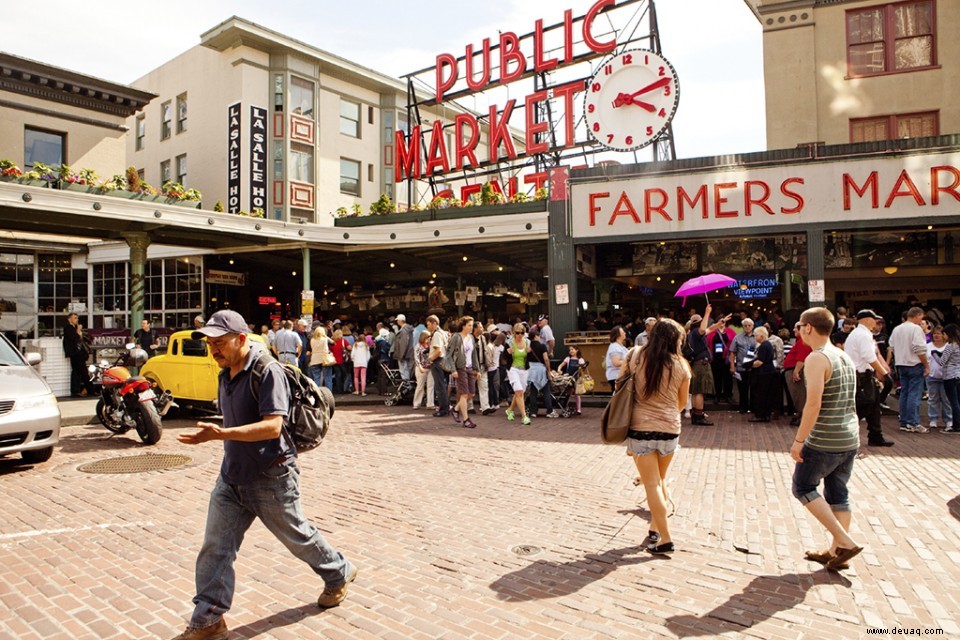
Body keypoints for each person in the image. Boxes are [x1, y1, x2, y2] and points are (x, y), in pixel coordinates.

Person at [171, 310, 356, 640]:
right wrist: (222, 437)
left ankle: (339, 572)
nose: (214, 350)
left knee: (298, 537)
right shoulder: (225, 372)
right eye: (210, 344)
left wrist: (222, 435)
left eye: (220, 343)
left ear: (241, 339)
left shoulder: (267, 370)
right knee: (215, 548)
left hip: (272, 476)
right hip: (232, 477)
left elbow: (272, 426)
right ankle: (209, 619)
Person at [791, 307, 865, 572]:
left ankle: (844, 541)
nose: (797, 331)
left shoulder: (817, 358)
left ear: (808, 327)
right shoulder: (842, 356)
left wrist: (799, 441)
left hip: (825, 438)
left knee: (802, 487)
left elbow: (813, 405)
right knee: (838, 494)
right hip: (848, 436)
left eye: (799, 326)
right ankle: (836, 551)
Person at [624, 318, 691, 556]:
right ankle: (655, 529)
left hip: (641, 427)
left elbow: (620, 387)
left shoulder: (637, 356)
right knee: (660, 481)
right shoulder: (682, 365)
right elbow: (681, 403)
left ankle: (666, 537)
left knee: (651, 485)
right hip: (670, 428)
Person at [845, 309, 896, 445]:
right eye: (875, 320)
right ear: (867, 320)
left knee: (874, 407)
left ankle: (875, 436)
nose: (876, 323)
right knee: (865, 405)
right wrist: (884, 374)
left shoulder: (860, 334)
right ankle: (847, 433)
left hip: (864, 375)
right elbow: (869, 357)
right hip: (861, 376)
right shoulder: (863, 335)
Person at [888, 307, 930, 432]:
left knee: (904, 393)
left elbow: (891, 346)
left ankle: (904, 421)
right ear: (917, 315)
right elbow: (919, 349)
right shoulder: (916, 329)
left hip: (901, 364)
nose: (921, 320)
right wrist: (926, 365)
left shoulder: (897, 329)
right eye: (921, 318)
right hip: (914, 364)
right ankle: (913, 422)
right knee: (914, 394)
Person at [686, 306, 728, 425]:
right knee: (700, 391)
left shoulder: (695, 333)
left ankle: (696, 415)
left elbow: (709, 329)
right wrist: (707, 312)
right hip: (701, 364)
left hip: (698, 364)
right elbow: (705, 328)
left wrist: (720, 323)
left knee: (696, 391)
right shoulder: (697, 332)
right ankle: (699, 416)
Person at [447, 316, 479, 428]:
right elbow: (448, 355)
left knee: (471, 394)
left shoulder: (471, 337)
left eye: (472, 325)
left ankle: (455, 409)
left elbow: (474, 354)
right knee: (464, 394)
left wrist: (477, 369)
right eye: (469, 325)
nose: (471, 327)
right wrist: (453, 370)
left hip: (470, 368)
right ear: (463, 325)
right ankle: (466, 420)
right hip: (461, 368)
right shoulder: (456, 337)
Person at [783, 322, 812, 427]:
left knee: (799, 395)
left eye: (796, 328)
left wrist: (796, 371)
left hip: (794, 370)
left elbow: (802, 358)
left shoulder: (804, 341)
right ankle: (801, 415)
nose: (794, 330)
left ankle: (803, 417)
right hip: (792, 369)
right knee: (797, 395)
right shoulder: (800, 341)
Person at [505, 323, 532, 425]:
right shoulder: (509, 343)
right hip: (513, 369)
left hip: (524, 370)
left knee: (520, 392)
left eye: (522, 332)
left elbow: (529, 358)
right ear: (513, 332)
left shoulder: (528, 342)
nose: (520, 335)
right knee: (519, 391)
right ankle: (524, 416)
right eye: (518, 333)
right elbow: (504, 357)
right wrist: (507, 353)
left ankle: (510, 410)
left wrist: (529, 353)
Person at [927, 326, 953, 430]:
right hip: (932, 376)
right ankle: (933, 419)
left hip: (946, 376)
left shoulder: (949, 347)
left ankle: (948, 420)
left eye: (939, 333)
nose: (936, 336)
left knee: (946, 399)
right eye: (934, 334)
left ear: (944, 335)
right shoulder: (928, 346)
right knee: (933, 398)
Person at [527, 328, 557, 418]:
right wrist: (548, 370)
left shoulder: (528, 347)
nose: (540, 337)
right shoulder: (542, 346)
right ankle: (549, 411)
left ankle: (533, 411)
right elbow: (546, 359)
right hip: (541, 370)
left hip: (531, 370)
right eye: (539, 335)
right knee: (546, 390)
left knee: (533, 391)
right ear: (536, 336)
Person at [729, 318, 757, 414]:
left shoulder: (757, 337)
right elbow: (732, 352)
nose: (747, 327)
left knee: (754, 388)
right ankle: (743, 407)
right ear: (742, 327)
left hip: (754, 367)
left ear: (753, 326)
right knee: (742, 388)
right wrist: (732, 366)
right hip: (741, 366)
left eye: (749, 325)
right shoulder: (737, 337)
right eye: (745, 325)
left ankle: (753, 407)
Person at [748, 327, 776, 423]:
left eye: (756, 335)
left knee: (761, 394)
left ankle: (760, 414)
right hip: (768, 372)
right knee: (766, 394)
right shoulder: (768, 344)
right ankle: (766, 414)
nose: (755, 337)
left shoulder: (764, 346)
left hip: (763, 373)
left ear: (761, 335)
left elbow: (760, 361)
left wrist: (749, 365)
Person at [707, 317, 736, 404]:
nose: (722, 322)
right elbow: (707, 343)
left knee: (728, 378)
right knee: (717, 378)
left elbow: (734, 344)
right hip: (715, 358)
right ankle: (717, 395)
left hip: (727, 358)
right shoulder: (712, 331)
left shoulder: (730, 331)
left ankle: (728, 396)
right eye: (720, 321)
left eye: (723, 321)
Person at [427, 315, 450, 417]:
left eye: (428, 325)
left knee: (440, 387)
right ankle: (445, 406)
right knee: (443, 386)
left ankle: (443, 409)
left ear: (434, 323)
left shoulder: (436, 334)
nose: (428, 327)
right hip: (444, 361)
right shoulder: (444, 333)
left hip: (437, 361)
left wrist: (430, 359)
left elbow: (438, 350)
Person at [63, 312, 91, 397]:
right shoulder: (68, 328)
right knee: (81, 371)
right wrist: (78, 330)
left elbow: (79, 339)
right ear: (69, 319)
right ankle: (88, 390)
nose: (77, 320)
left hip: (78, 353)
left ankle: (77, 390)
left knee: (78, 372)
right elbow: (75, 338)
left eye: (77, 318)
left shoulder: (74, 328)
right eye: (75, 318)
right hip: (75, 353)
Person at [940, 324, 960, 434]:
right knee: (958, 401)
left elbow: (942, 362)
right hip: (958, 374)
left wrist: (935, 355)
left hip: (949, 376)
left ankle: (956, 425)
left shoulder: (950, 346)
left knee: (953, 402)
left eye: (944, 334)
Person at [558, 345, 586, 415]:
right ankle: (565, 406)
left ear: (577, 350)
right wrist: (559, 369)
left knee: (577, 393)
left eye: (572, 349)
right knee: (568, 393)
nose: (571, 351)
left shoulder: (580, 359)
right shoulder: (568, 358)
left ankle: (579, 409)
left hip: (577, 378)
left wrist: (581, 368)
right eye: (570, 350)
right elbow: (561, 365)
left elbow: (583, 368)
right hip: (569, 378)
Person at [412, 330, 435, 410]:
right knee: (420, 386)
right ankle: (416, 403)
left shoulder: (431, 345)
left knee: (430, 386)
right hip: (421, 368)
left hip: (430, 368)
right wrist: (420, 367)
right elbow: (416, 358)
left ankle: (430, 403)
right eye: (429, 337)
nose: (430, 339)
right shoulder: (418, 346)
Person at [472, 322, 492, 415]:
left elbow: (485, 352)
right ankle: (469, 407)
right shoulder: (470, 338)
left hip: (482, 366)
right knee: (471, 388)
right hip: (472, 367)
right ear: (475, 328)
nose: (482, 328)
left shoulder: (483, 338)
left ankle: (485, 407)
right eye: (480, 327)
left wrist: (487, 363)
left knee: (484, 386)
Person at [484, 325, 503, 415]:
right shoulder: (498, 347)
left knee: (490, 386)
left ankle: (491, 403)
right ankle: (495, 403)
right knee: (494, 386)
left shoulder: (489, 346)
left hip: (490, 368)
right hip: (496, 367)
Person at [308, 326, 334, 390]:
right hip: (324, 359)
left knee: (317, 378)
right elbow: (332, 343)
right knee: (327, 377)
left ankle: (318, 393)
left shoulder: (312, 340)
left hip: (314, 360)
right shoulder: (325, 339)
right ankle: (328, 393)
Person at [605, 326, 629, 392]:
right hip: (616, 376)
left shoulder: (621, 346)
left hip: (622, 376)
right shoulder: (615, 347)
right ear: (618, 335)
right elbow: (616, 363)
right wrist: (629, 361)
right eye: (622, 332)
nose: (625, 333)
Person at [393, 314, 415, 382]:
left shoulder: (403, 331)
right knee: (408, 370)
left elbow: (403, 344)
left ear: (400, 321)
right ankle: (408, 385)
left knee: (404, 371)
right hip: (410, 353)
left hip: (404, 354)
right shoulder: (409, 329)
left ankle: (406, 386)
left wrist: (401, 355)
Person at [350, 331, 370, 396]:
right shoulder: (366, 346)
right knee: (363, 377)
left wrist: (353, 360)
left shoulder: (355, 345)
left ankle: (357, 390)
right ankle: (363, 392)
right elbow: (368, 356)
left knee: (356, 377)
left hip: (356, 363)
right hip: (364, 362)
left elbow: (352, 354)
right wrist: (366, 361)